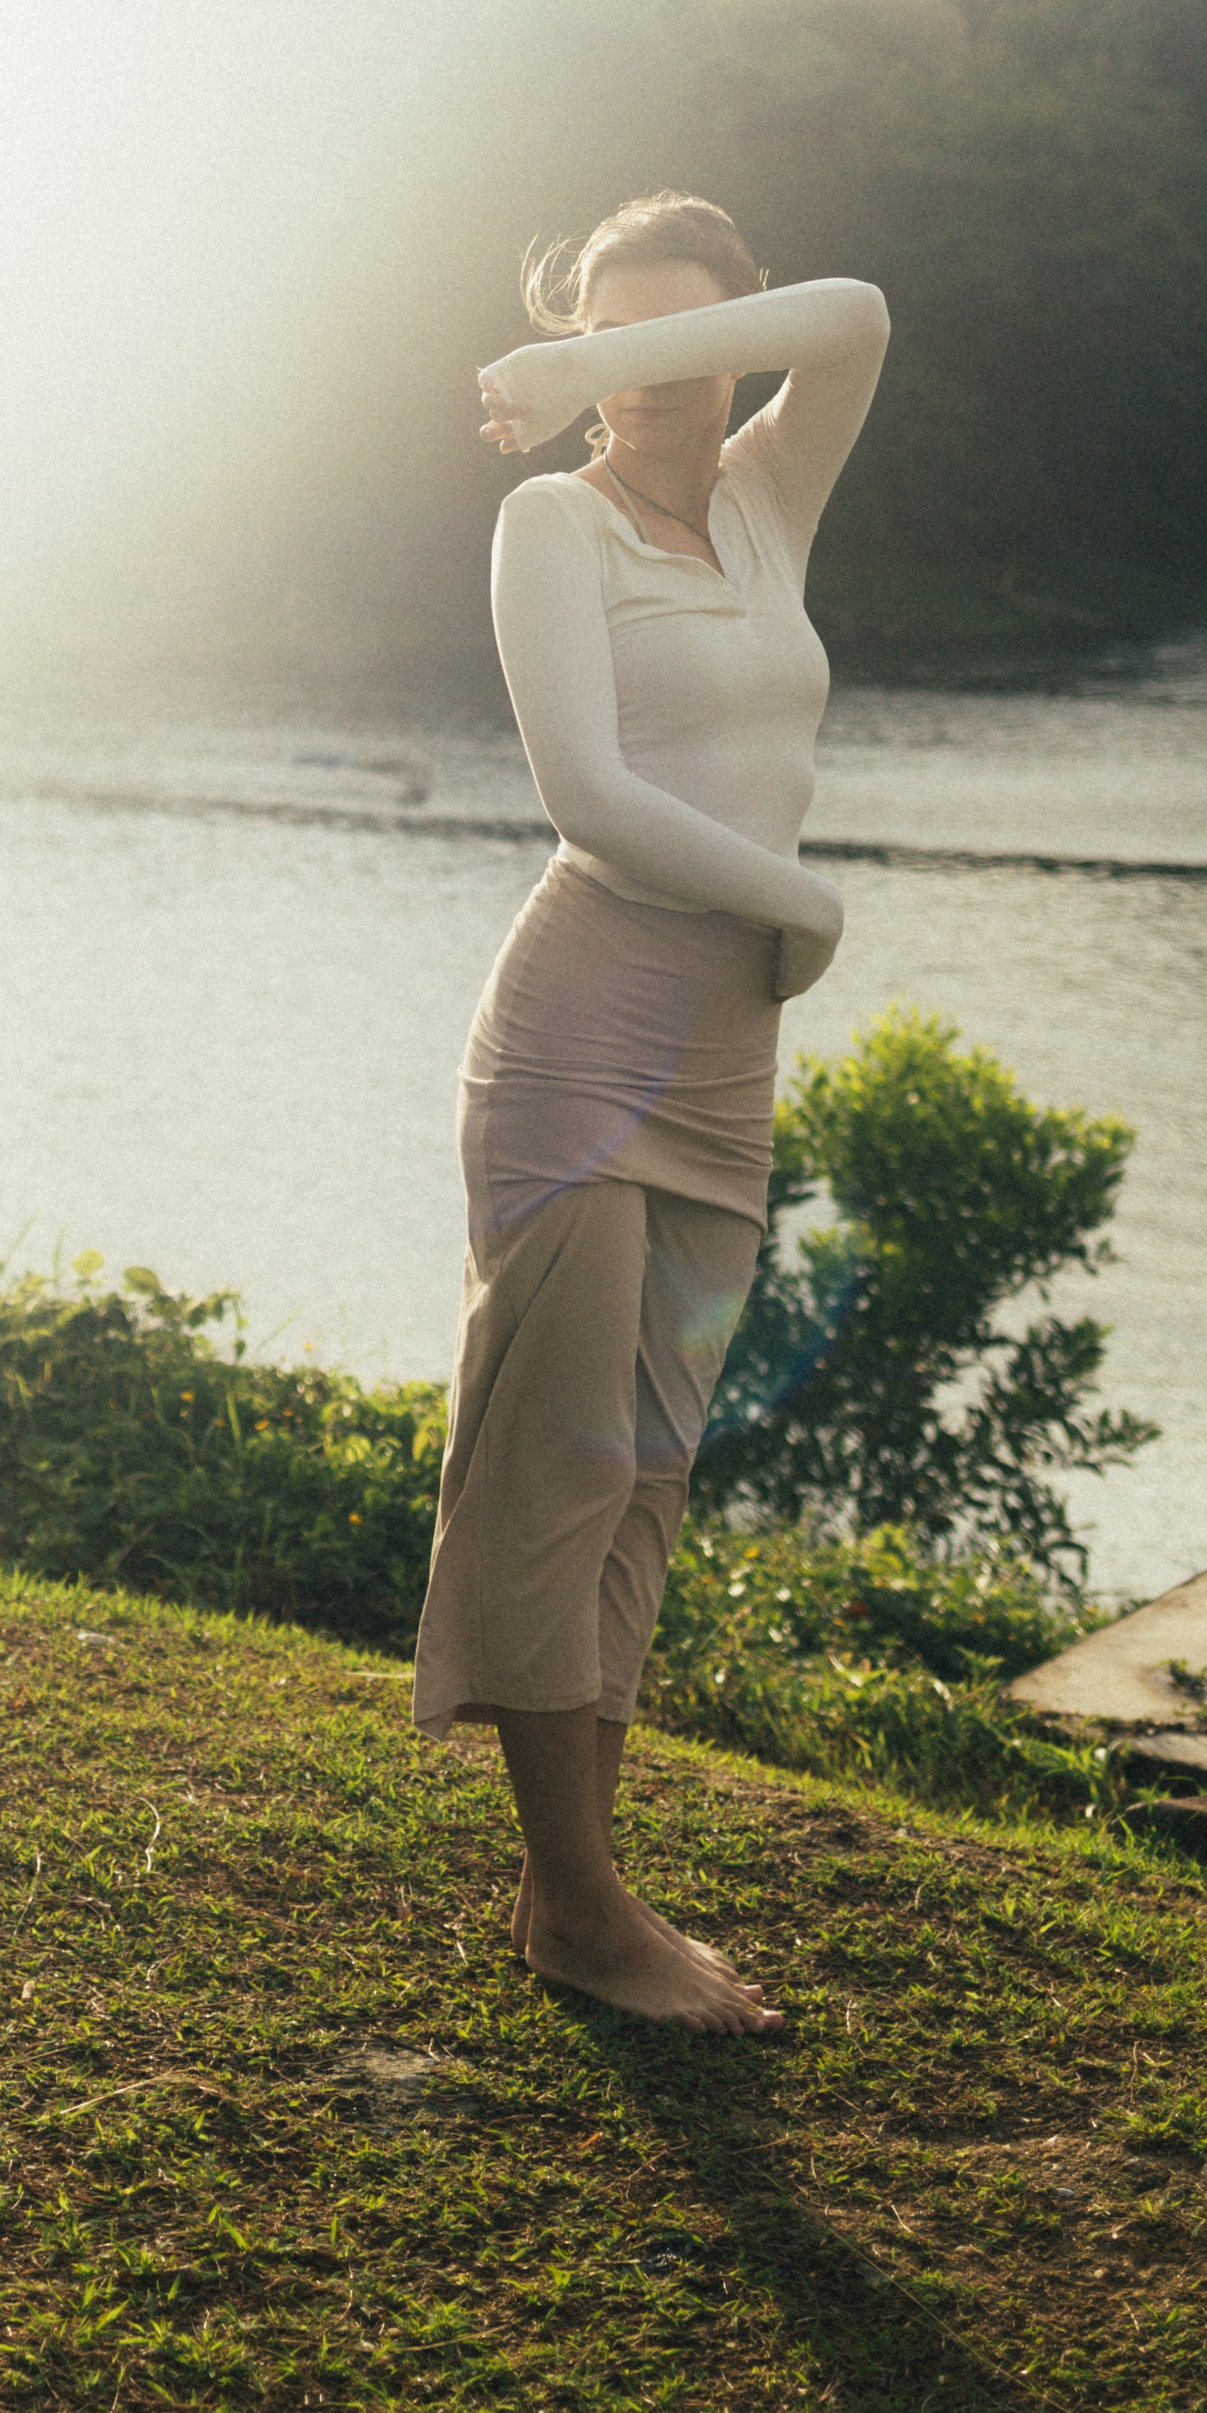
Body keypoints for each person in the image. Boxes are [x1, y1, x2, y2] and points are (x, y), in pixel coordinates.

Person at [413, 191, 888, 2034]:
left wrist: (592, 354)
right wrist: (805, 899)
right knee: (559, 1458)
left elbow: (854, 307)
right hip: (589, 1025)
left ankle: (570, 1892)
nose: (645, 394)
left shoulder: (770, 496)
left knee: (652, 1460)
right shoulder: (554, 519)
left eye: (680, 347)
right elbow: (591, 796)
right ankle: (591, 1911)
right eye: (611, 355)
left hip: (726, 1058)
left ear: (723, 344)